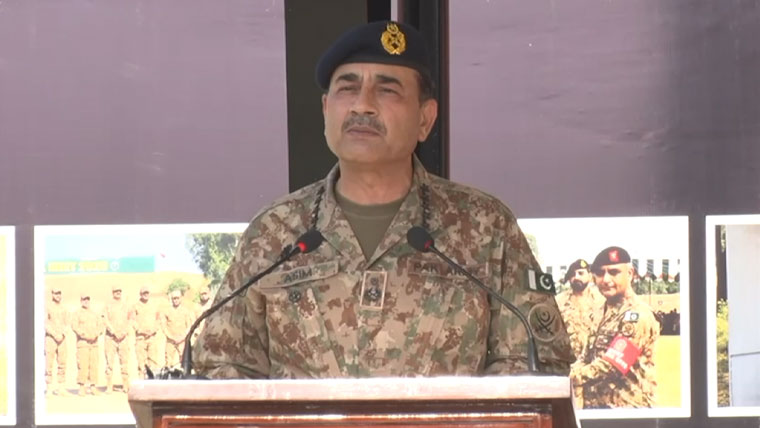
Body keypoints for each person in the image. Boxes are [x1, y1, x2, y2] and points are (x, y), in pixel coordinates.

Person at [193, 20, 573, 379]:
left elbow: (537, 363)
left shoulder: (485, 226)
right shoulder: (274, 232)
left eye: (387, 90)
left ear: (425, 119)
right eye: (347, 88)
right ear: (325, 110)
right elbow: (222, 367)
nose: (362, 105)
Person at [570, 246, 659, 408]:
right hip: (597, 409)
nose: (605, 279)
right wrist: (571, 370)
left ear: (630, 274)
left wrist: (572, 376)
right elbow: (586, 356)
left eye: (614, 272)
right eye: (600, 273)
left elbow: (613, 365)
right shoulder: (599, 311)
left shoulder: (637, 314)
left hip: (629, 411)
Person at [555, 259, 604, 360]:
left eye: (581, 273)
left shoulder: (602, 301)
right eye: (572, 274)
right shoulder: (558, 302)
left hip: (595, 361)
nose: (576, 277)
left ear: (590, 276)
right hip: (566, 359)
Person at [71, 293, 104, 395]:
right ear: (81, 301)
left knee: (94, 365)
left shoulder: (95, 314)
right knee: (83, 365)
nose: (86, 301)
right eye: (84, 299)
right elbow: (74, 326)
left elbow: (101, 326)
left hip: (94, 343)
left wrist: (95, 334)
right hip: (83, 343)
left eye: (87, 299)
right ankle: (82, 387)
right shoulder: (77, 314)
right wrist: (84, 335)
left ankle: (93, 387)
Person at [103, 285, 131, 393]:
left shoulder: (126, 306)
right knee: (109, 363)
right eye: (116, 291)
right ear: (113, 293)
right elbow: (105, 320)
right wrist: (114, 332)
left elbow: (130, 320)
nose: (118, 293)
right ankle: (109, 386)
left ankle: (125, 385)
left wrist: (123, 332)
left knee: (124, 362)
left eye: (119, 291)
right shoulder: (107, 306)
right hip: (111, 338)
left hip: (123, 339)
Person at [131, 285, 160, 378]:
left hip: (152, 338)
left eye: (147, 293)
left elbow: (158, 320)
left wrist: (153, 330)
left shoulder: (154, 306)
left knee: (153, 363)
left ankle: (153, 382)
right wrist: (141, 330)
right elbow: (132, 321)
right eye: (144, 293)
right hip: (141, 339)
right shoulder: (135, 306)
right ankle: (141, 382)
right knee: (141, 363)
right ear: (140, 294)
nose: (146, 294)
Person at [44, 287, 69, 395]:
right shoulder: (47, 307)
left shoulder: (64, 309)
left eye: (59, 293)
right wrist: (54, 334)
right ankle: (49, 388)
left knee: (62, 362)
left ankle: (61, 388)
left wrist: (62, 334)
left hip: (62, 339)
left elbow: (67, 323)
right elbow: (45, 323)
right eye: (56, 293)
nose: (58, 295)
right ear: (52, 294)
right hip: (51, 338)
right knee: (49, 364)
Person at [162, 289, 194, 367]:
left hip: (182, 341)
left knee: (184, 362)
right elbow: (164, 326)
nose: (176, 300)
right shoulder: (167, 311)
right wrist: (171, 337)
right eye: (174, 298)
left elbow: (189, 326)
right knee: (168, 362)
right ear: (171, 299)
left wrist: (182, 337)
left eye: (177, 298)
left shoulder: (186, 311)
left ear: (180, 298)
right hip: (170, 341)